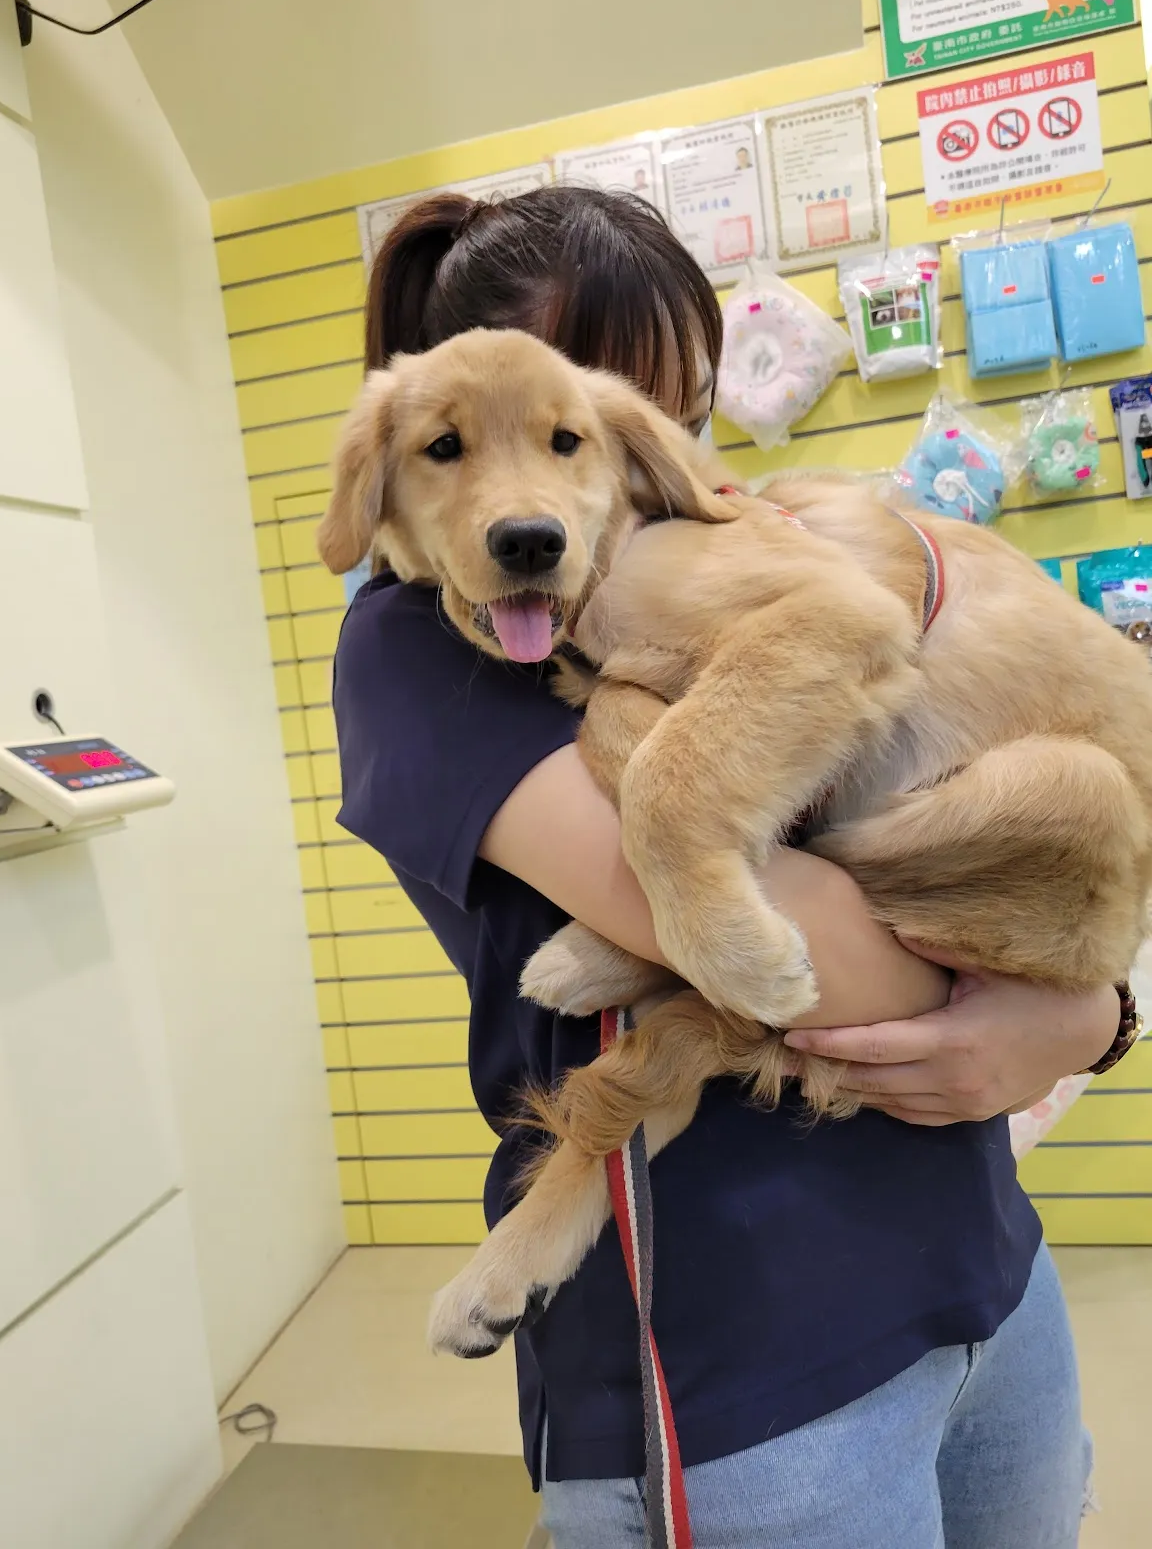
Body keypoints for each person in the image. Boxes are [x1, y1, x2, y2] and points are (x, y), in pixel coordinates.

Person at [332, 186, 1115, 1547]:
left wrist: (1096, 1013)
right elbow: (805, 951)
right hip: (741, 1360)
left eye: (657, 417)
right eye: (464, 447)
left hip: (983, 1266)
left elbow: (987, 857)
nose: (610, 488)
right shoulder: (422, 651)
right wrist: (1057, 1010)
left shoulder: (714, 548)